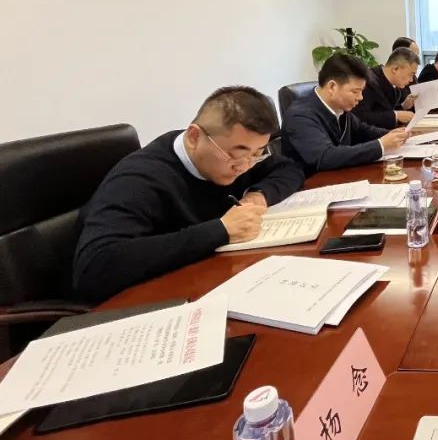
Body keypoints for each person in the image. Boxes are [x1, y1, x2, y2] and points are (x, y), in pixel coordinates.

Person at [72, 86, 305, 303]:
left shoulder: (238, 153)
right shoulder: (139, 180)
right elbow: (94, 268)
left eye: (257, 154)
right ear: (194, 137)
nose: (244, 166)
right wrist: (220, 230)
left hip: (208, 277)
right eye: (236, 155)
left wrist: (258, 195)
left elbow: (289, 168)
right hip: (140, 301)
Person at [281, 53, 409, 176]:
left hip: (339, 176)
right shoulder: (300, 116)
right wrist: (380, 145)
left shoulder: (340, 108)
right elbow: (325, 157)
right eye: (355, 92)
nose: (360, 97)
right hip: (311, 184)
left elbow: (363, 131)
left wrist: (393, 135)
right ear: (332, 87)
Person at [357, 47, 421, 129]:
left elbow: (386, 109)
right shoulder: (368, 82)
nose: (411, 80)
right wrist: (396, 116)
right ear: (395, 69)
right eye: (411, 74)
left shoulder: (394, 85)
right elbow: (360, 117)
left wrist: (403, 106)